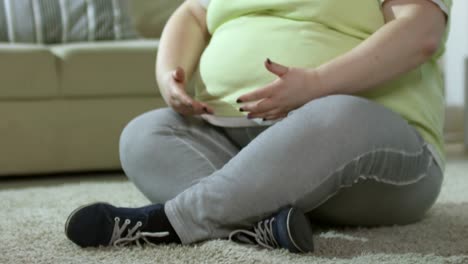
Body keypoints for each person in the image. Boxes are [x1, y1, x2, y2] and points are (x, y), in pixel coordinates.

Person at [64, 0, 451, 253]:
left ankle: (167, 222)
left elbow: (421, 32)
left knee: (336, 114)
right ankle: (265, 223)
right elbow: (192, 14)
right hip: (235, 139)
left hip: (371, 148)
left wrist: (316, 84)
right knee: (144, 134)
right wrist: (169, 74)